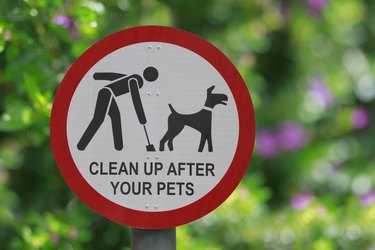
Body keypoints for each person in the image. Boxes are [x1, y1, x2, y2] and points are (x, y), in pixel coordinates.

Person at [77, 66, 159, 151]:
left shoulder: (132, 77)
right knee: (98, 119)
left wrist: (97, 76)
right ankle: (81, 146)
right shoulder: (134, 80)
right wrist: (142, 119)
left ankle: (118, 147)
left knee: (116, 116)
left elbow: (114, 76)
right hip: (106, 93)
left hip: (109, 95)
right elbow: (136, 99)